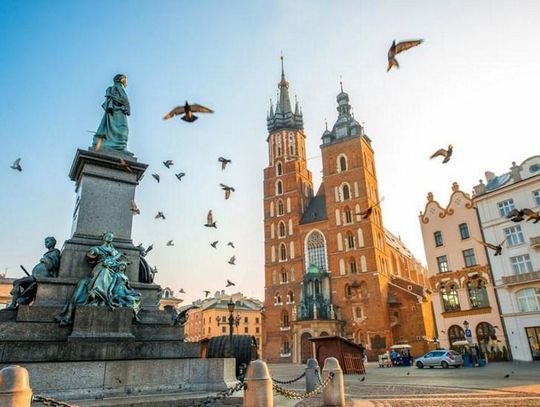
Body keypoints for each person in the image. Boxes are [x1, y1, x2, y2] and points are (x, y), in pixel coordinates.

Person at [7, 236, 60, 309]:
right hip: (35, 276)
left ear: (53, 242)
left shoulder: (55, 252)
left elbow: (53, 266)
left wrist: (45, 260)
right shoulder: (48, 254)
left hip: (42, 276)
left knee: (19, 283)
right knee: (17, 282)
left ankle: (14, 304)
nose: (46, 243)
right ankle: (17, 300)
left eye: (48, 241)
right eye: (45, 242)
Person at [93, 74, 130, 151]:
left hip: (112, 111)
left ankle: (107, 143)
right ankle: (119, 145)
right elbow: (124, 98)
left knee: (109, 128)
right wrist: (128, 108)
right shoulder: (119, 85)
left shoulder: (112, 88)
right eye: (125, 80)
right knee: (123, 129)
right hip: (119, 110)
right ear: (122, 80)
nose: (126, 83)